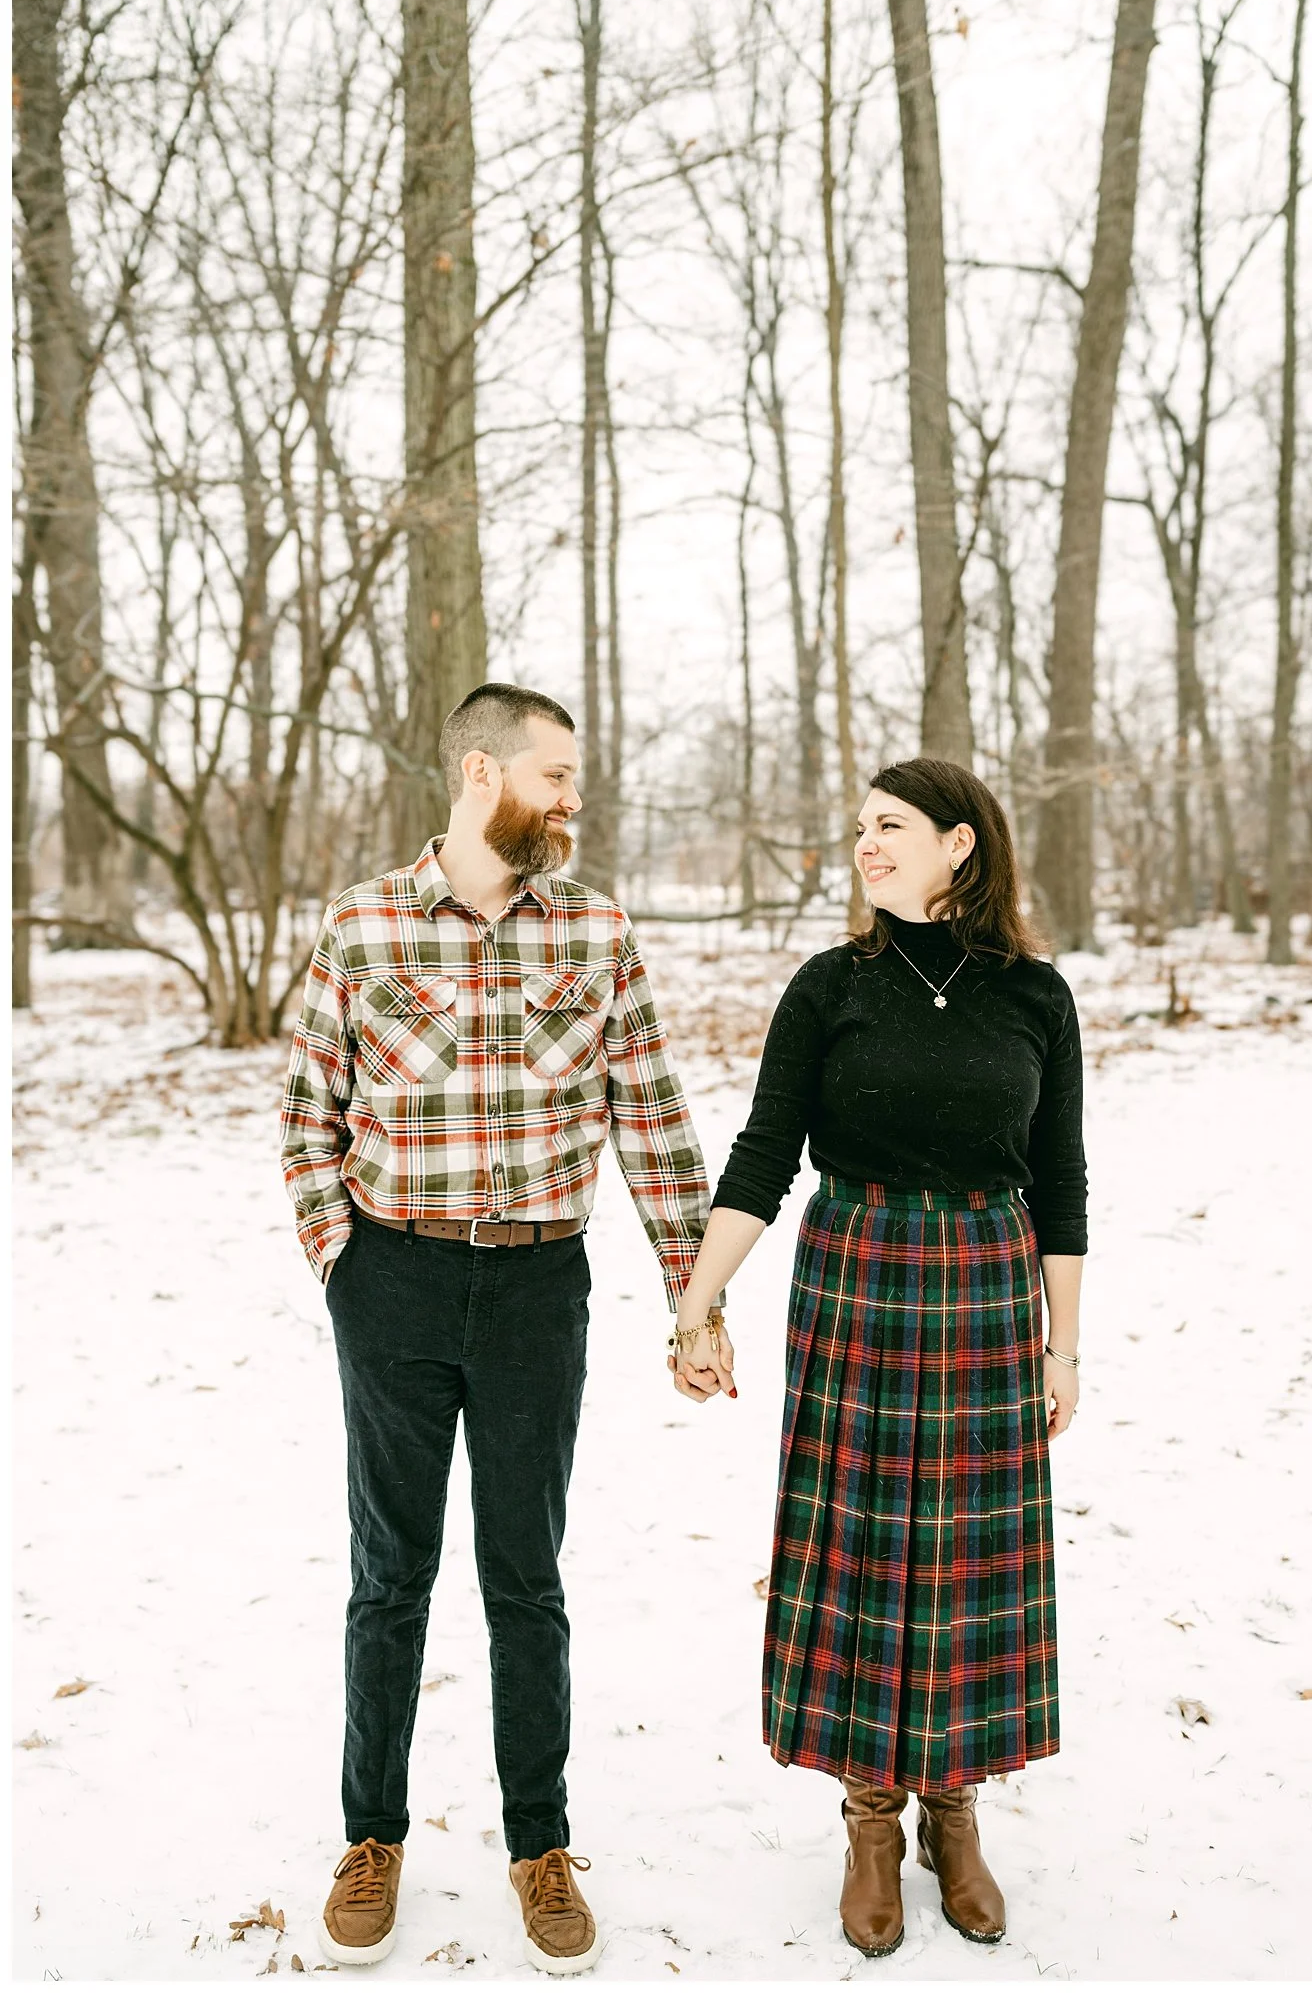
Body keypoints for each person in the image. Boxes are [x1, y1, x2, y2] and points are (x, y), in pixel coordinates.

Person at [279, 682, 728, 1973]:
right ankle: (372, 1838)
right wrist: (344, 1269)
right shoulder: (363, 924)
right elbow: (307, 1115)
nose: (573, 799)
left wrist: (693, 1295)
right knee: (389, 1575)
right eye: (555, 775)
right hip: (395, 1285)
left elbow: (651, 1116)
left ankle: (540, 1844)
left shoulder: (594, 930)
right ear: (482, 774)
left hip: (538, 1290)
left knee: (526, 1579)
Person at [667, 756, 1085, 1958]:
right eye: (858, 825)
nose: (864, 842)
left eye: (889, 824)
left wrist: (1063, 1343)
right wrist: (694, 1301)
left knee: (962, 1557)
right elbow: (762, 1154)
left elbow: (1059, 1179)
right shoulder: (829, 985)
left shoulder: (1034, 994)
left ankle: (951, 1808)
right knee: (856, 1550)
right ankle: (866, 1816)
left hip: (986, 1286)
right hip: (854, 1275)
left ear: (960, 842)